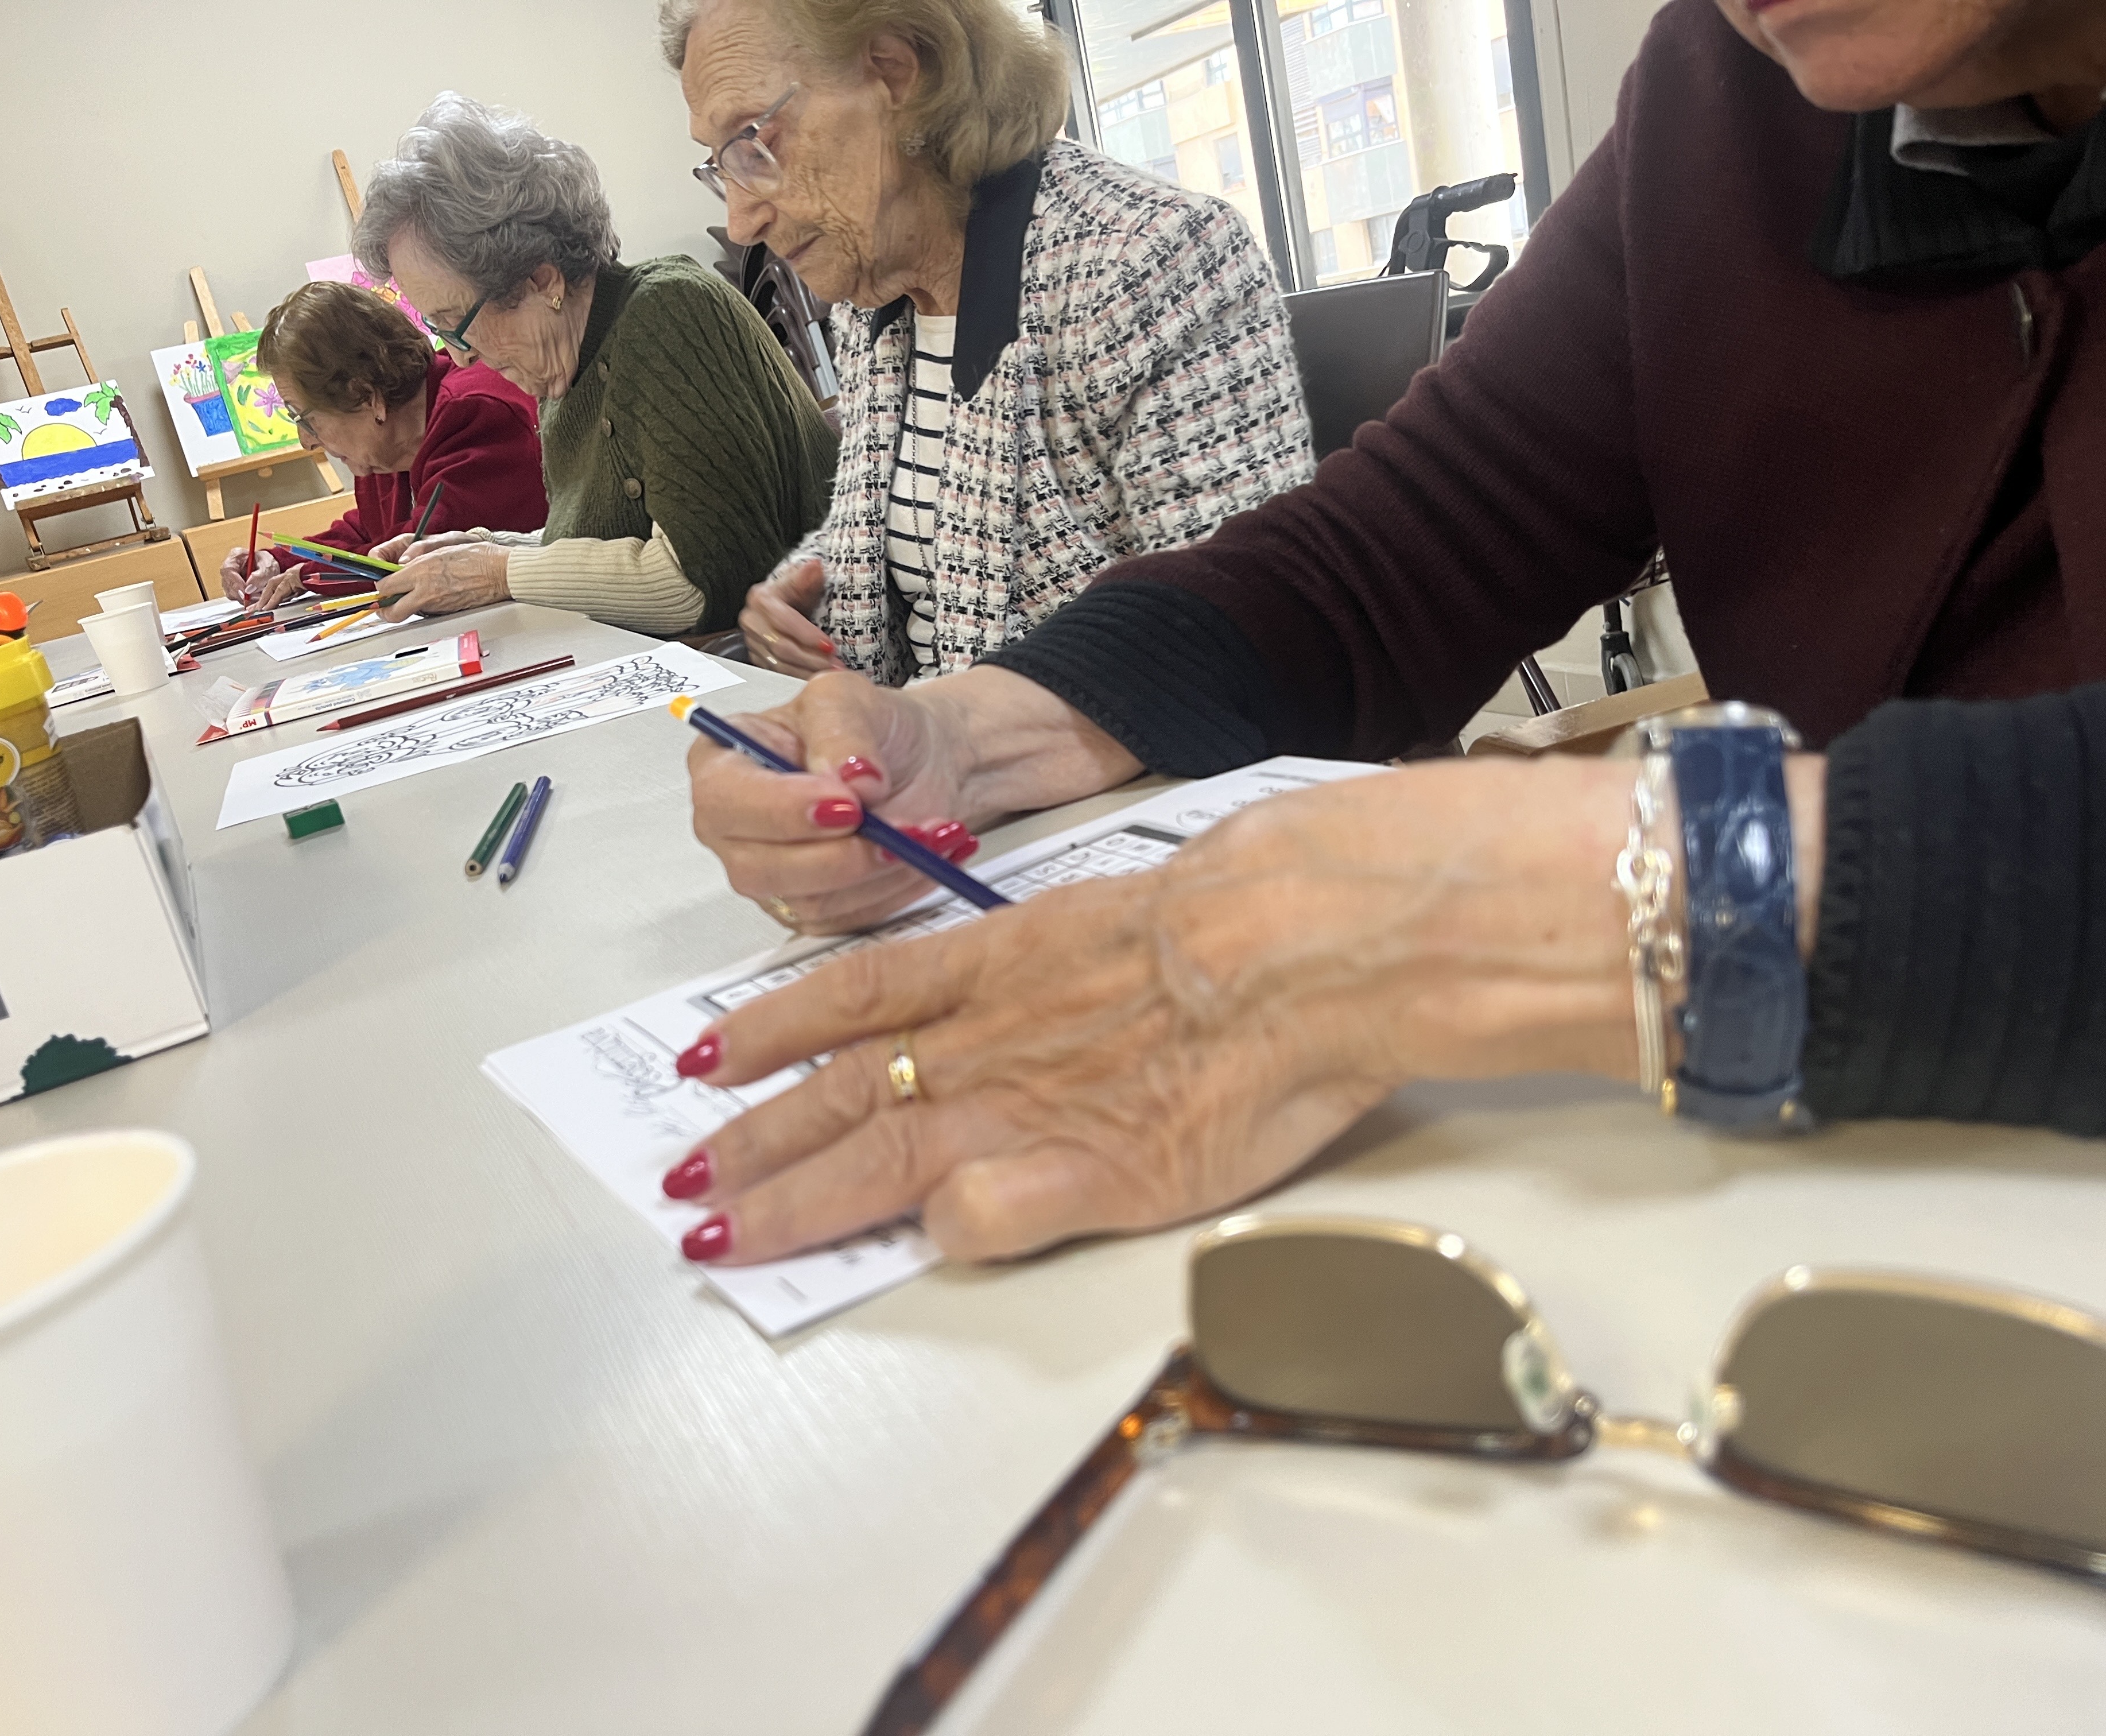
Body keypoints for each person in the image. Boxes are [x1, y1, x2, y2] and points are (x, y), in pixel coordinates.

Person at [671, 0, 2106, 1267]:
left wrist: (1486, 913)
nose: (741, 217)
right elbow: (1401, 545)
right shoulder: (1725, 99)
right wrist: (972, 734)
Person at [661, 0, 1313, 683]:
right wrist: (804, 594)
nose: (741, 221)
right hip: (909, 734)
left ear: (895, 71)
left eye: (753, 141)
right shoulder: (871, 303)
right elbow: (928, 527)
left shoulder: (1150, 260)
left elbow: (1242, 633)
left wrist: (942, 727)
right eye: (722, 165)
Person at [350, 92, 840, 636]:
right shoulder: (564, 364)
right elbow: (607, 545)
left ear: (542, 281)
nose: (461, 354)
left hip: (811, 661)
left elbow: (700, 584)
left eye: (456, 321)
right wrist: (481, 551)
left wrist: (499, 571)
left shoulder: (669, 311)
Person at [218, 280, 547, 613]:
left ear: (364, 396)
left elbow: (420, 554)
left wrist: (307, 574)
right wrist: (279, 560)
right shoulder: (388, 443)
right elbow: (370, 530)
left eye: (305, 418)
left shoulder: (475, 415)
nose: (308, 441)